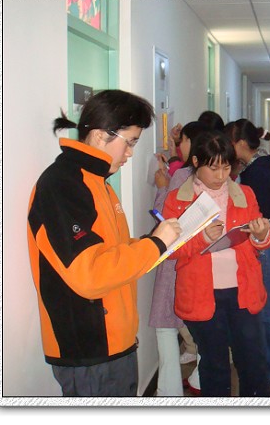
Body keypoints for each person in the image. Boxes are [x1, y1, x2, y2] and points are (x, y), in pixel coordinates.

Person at [27, 89, 182, 396]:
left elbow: (113, 252)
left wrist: (157, 242)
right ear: (100, 135)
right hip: (90, 350)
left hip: (116, 343)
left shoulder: (98, 183)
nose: (131, 154)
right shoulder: (63, 186)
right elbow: (91, 275)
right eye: (130, 142)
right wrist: (154, 245)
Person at [162, 130, 270, 397]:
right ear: (196, 162)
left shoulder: (244, 194)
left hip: (242, 290)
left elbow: (260, 241)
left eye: (226, 167)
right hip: (202, 294)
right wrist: (201, 239)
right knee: (214, 366)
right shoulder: (177, 200)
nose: (221, 176)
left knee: (253, 363)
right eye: (213, 168)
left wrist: (261, 235)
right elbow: (169, 250)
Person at [148, 121, 212, 396]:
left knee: (165, 326)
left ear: (191, 144)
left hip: (175, 259)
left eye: (182, 141)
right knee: (200, 325)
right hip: (200, 259)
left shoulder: (182, 176)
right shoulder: (210, 176)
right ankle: (200, 379)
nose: (180, 146)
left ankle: (169, 392)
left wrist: (161, 187)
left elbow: (164, 217)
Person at [226, 118, 270, 386]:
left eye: (229, 143)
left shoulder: (257, 175)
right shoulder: (259, 166)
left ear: (241, 143)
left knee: (269, 309)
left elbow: (260, 218)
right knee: (268, 308)